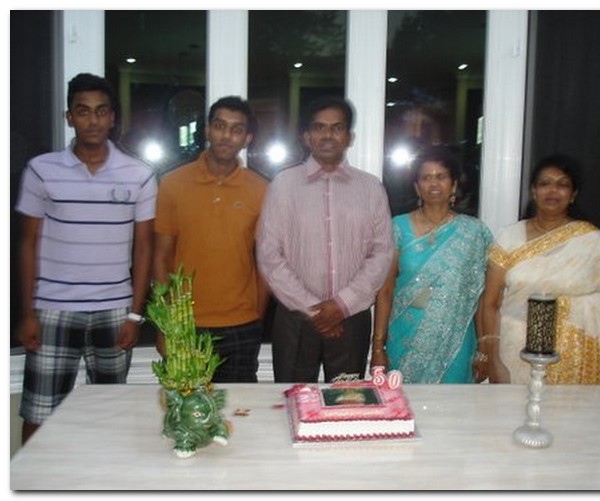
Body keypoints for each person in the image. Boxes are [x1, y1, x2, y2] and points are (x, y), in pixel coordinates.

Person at [15, 73, 157, 443]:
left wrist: (134, 315)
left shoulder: (139, 175)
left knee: (110, 413)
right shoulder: (41, 170)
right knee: (39, 413)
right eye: (83, 111)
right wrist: (26, 313)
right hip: (53, 310)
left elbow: (144, 248)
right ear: (69, 117)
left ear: (112, 117)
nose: (93, 120)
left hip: (114, 312)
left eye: (101, 111)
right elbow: (27, 243)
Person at [256, 96, 394, 383]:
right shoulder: (283, 185)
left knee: (347, 401)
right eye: (319, 127)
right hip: (295, 317)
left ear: (349, 137)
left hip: (351, 318)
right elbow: (269, 254)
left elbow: (381, 253)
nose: (328, 135)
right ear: (306, 136)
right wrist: (315, 310)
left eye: (337, 128)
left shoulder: (371, 188)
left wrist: (341, 305)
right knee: (292, 399)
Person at [481, 154, 600, 385]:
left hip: (572, 358)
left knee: (560, 410)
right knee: (512, 408)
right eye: (545, 183)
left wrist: (564, 310)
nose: (553, 191)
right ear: (533, 191)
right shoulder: (509, 237)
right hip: (513, 352)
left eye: (562, 184)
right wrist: (492, 359)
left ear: (573, 194)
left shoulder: (592, 242)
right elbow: (489, 303)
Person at [153, 96, 268, 383]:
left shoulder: (262, 190)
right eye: (219, 126)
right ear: (207, 130)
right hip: (184, 323)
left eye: (236, 129)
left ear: (247, 139)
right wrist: (165, 324)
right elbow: (162, 256)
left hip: (241, 323)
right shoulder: (172, 183)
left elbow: (266, 261)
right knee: (185, 405)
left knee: (239, 406)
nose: (226, 135)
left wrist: (257, 315)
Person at [370, 145, 493, 384]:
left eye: (441, 177)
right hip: (404, 338)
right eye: (426, 178)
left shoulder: (473, 232)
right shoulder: (397, 227)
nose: (434, 184)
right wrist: (377, 347)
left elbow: (478, 296)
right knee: (404, 403)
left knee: (451, 404)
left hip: (456, 343)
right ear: (417, 187)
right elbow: (385, 291)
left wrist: (483, 348)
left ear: (454, 185)